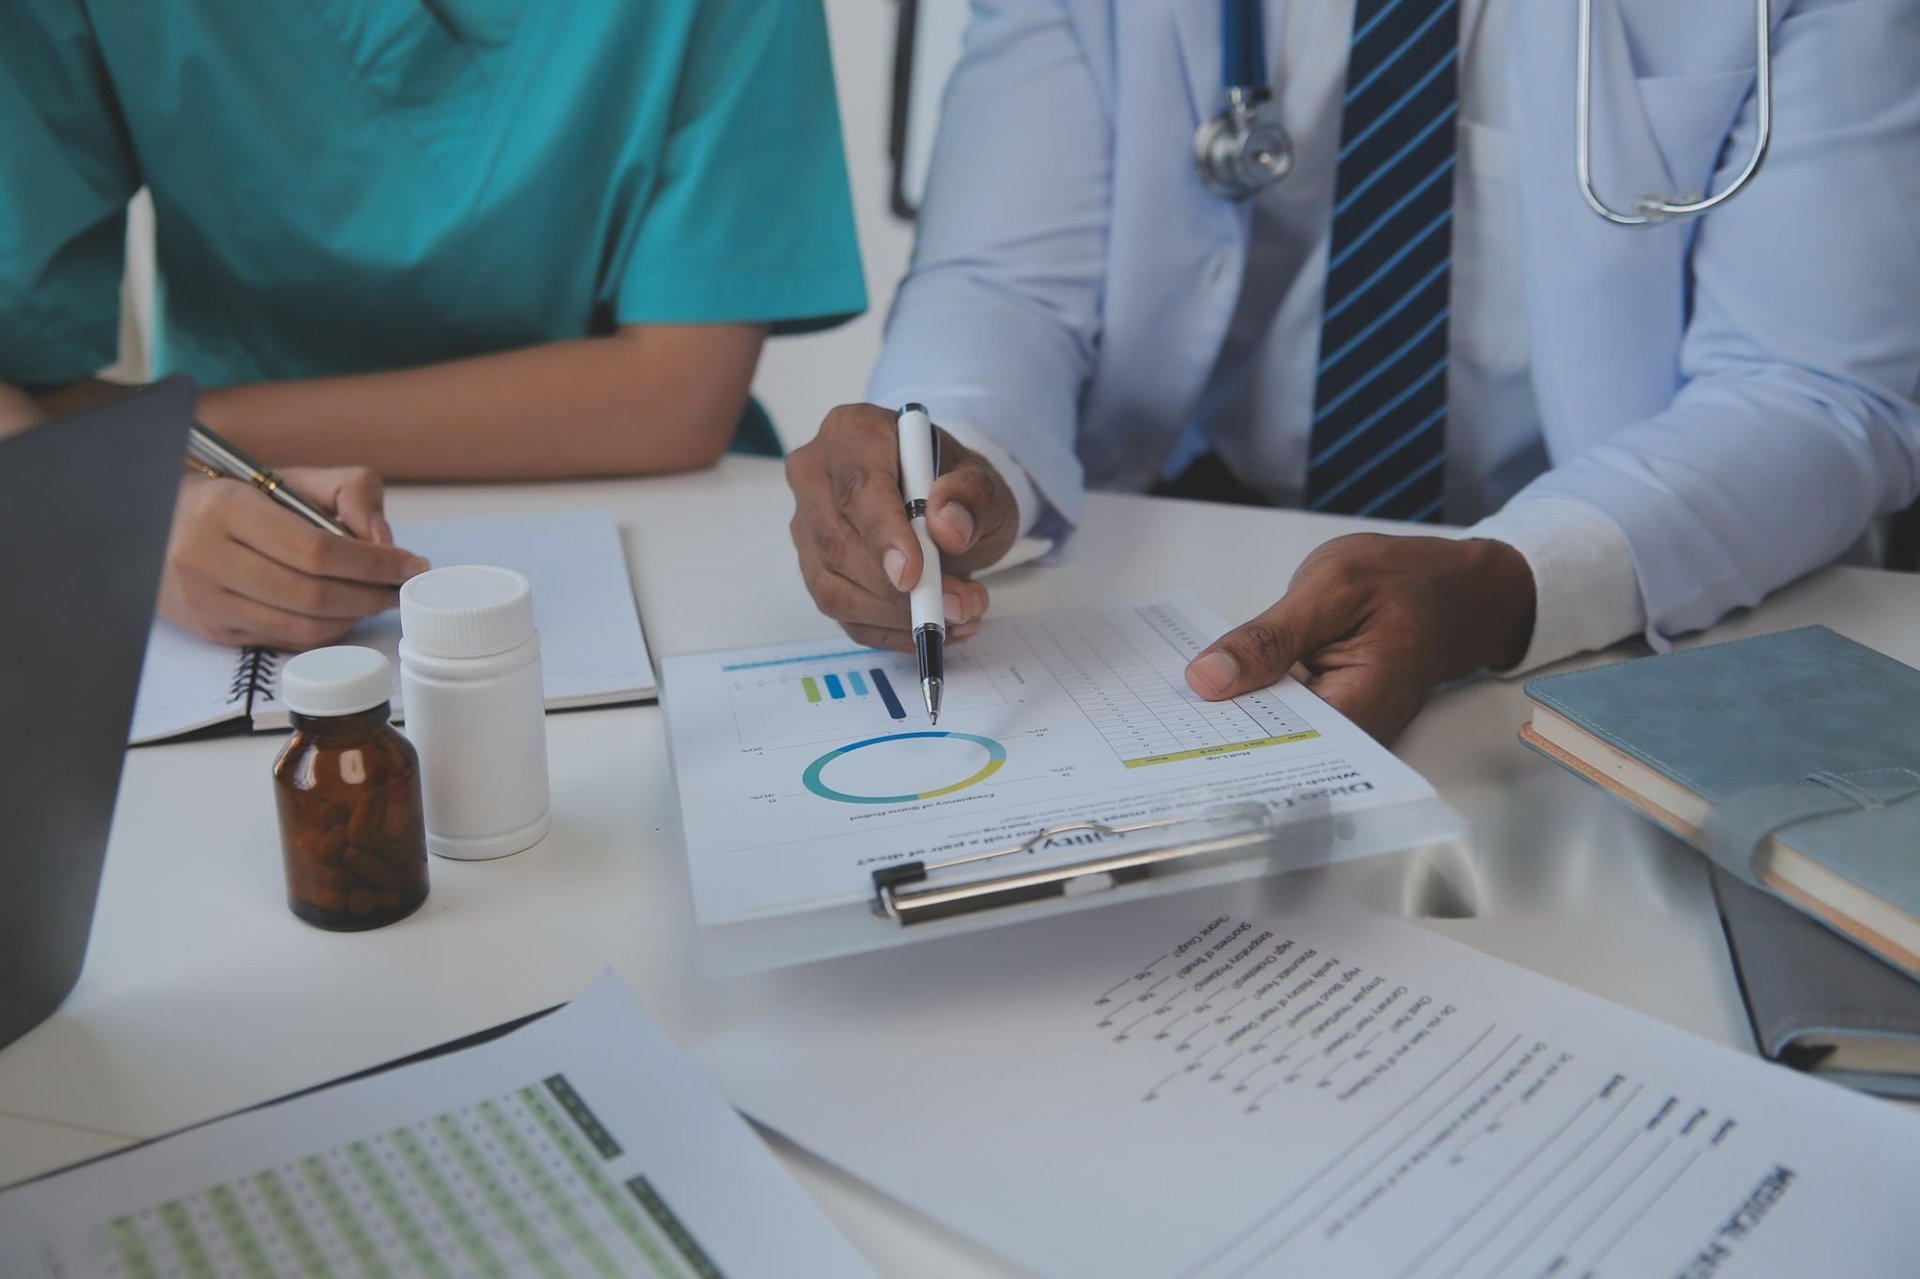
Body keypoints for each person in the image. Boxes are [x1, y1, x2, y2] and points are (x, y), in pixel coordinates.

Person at [785, 0, 1920, 743]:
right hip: (1209, 548)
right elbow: (1004, 284)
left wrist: (1506, 578)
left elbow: (1815, 386)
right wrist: (953, 453)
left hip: (1629, 591)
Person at [2, 0, 865, 650]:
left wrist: (153, 443)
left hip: (662, 535)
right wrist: (136, 511)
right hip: (208, 542)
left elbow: (675, 396)